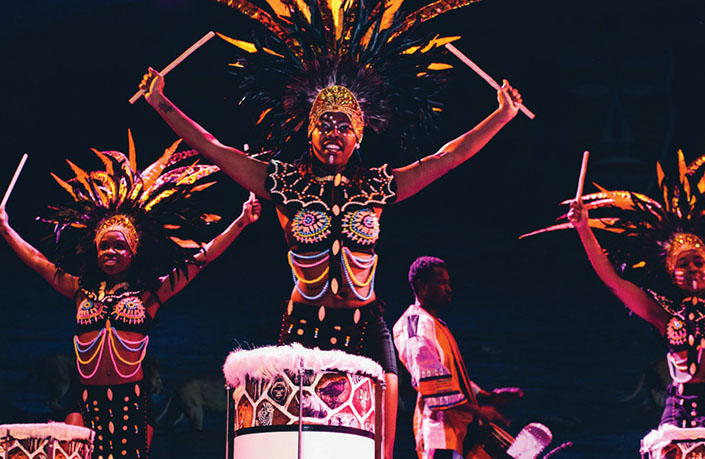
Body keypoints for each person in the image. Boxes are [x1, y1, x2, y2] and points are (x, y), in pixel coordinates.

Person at [137, 2, 524, 456]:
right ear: (310, 131)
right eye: (325, 123)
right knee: (302, 444)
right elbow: (213, 147)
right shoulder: (282, 182)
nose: (334, 131)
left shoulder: (379, 185)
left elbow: (447, 157)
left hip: (366, 324)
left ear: (359, 135)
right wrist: (161, 103)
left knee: (379, 442)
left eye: (345, 125)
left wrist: (501, 115)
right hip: (304, 325)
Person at [0, 140, 261, 458]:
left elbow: (199, 260)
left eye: (118, 246)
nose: (110, 251)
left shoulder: (149, 295)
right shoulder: (80, 290)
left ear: (133, 253)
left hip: (131, 404)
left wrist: (241, 222)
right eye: (104, 246)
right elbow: (40, 262)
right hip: (85, 400)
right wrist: (6, 230)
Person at [525, 144, 705, 429]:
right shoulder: (662, 311)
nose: (693, 268)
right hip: (683, 408)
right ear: (672, 275)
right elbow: (613, 280)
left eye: (698, 262)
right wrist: (585, 229)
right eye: (683, 264)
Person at [393, 256, 523, 459]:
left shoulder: (435, 324)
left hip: (459, 433)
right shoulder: (415, 325)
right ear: (421, 285)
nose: (449, 288)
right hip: (439, 435)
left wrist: (487, 397)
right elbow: (431, 383)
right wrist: (479, 411)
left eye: (448, 283)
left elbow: (447, 377)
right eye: (442, 283)